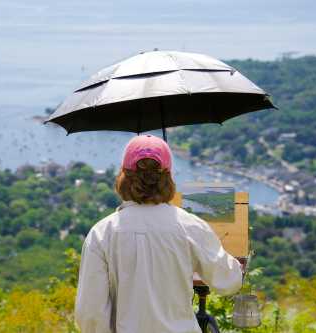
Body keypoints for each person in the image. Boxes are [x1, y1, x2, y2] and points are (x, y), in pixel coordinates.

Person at [75, 134, 243, 333]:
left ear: (123, 176)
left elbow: (90, 314)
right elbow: (229, 282)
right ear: (168, 177)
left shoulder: (102, 233)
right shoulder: (190, 226)